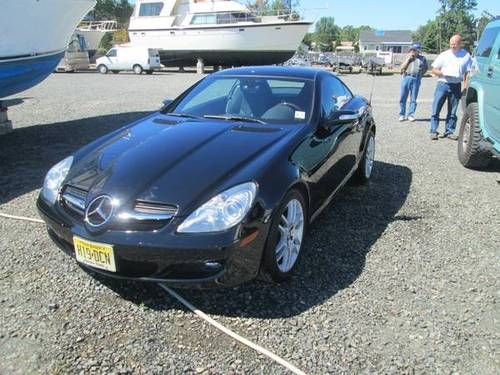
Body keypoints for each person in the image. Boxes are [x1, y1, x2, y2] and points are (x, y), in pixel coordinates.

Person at [429, 34, 472, 140]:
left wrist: (465, 87)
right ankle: (433, 131)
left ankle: (449, 131)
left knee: (453, 111)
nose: (452, 46)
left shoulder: (466, 55)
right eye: (451, 43)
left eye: (455, 44)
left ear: (460, 44)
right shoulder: (444, 55)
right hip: (443, 84)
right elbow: (434, 69)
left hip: (456, 85)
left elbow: (467, 72)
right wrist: (443, 73)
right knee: (436, 108)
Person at [399, 43, 428, 122]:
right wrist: (408, 60)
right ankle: (402, 114)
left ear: (418, 51)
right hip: (406, 77)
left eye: (415, 50)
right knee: (403, 97)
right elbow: (401, 68)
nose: (413, 51)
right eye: (412, 49)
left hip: (416, 78)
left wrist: (420, 75)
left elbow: (425, 68)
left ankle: (411, 114)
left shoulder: (423, 58)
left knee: (413, 98)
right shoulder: (407, 57)